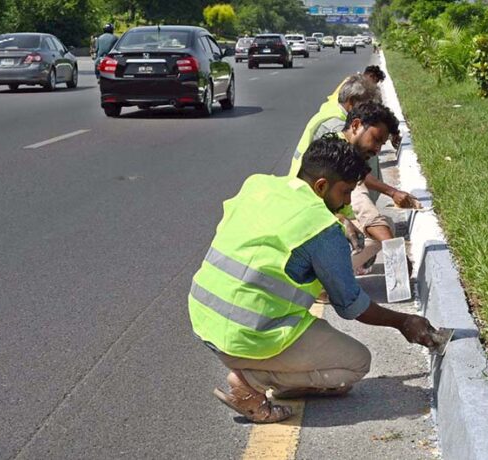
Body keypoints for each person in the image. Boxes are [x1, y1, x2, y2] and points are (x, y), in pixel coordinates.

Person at [188, 135, 445, 423]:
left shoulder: (259, 185)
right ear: (321, 186)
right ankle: (251, 381)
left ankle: (271, 373)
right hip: (248, 335)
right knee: (356, 364)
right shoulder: (321, 229)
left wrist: (338, 218)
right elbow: (352, 306)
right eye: (345, 192)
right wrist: (403, 322)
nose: (347, 201)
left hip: (205, 319)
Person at [340, 102, 421, 272]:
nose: (377, 149)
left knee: (385, 226)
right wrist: (396, 252)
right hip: (307, 233)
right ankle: (324, 282)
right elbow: (359, 200)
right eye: (376, 139)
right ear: (356, 125)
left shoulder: (346, 153)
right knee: (379, 231)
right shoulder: (337, 158)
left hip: (320, 225)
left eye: (381, 144)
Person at [288, 74, 380, 177]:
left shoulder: (331, 109)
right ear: (352, 101)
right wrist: (392, 192)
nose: (369, 112)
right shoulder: (337, 128)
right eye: (366, 107)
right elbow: (352, 172)